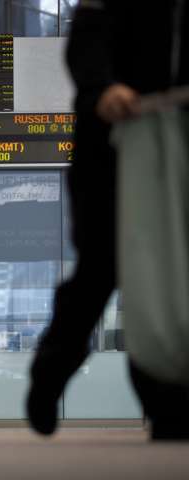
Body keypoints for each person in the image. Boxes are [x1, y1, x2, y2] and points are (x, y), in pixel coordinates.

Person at [26, 0, 189, 438]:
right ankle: (52, 370)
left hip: (179, 148)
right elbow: (88, 41)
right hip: (113, 147)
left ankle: (170, 404)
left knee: (173, 282)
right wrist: (102, 89)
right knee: (101, 270)